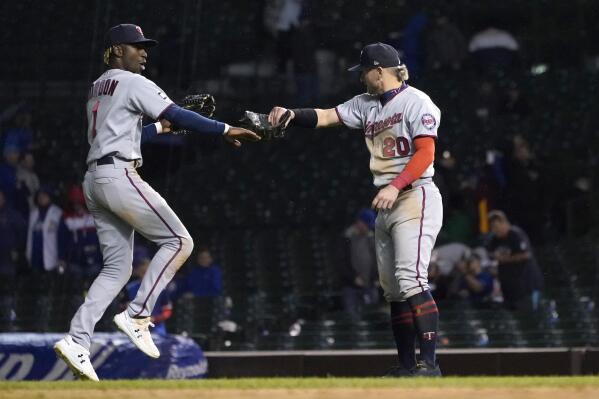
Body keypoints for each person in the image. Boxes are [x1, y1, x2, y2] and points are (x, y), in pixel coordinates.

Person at [53, 24, 259, 381]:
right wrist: (224, 129)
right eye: (136, 47)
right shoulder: (134, 82)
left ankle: (77, 340)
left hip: (95, 179)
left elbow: (127, 133)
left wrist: (162, 129)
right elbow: (177, 114)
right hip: (119, 175)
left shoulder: (97, 86)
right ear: (118, 49)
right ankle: (137, 314)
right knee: (179, 241)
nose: (144, 52)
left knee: (117, 269)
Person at [268, 42, 443, 376]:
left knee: (411, 279)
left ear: (379, 71)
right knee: (393, 290)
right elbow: (327, 116)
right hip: (388, 199)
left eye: (364, 71)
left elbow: (425, 154)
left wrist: (395, 185)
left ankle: (430, 364)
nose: (361, 76)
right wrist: (292, 115)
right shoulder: (366, 103)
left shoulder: (417, 102)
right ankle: (407, 367)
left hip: (414, 194)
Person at [486, 210, 544, 312]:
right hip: (508, 289)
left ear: (504, 222)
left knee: (527, 316)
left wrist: (505, 259)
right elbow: (490, 255)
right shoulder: (494, 240)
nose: (495, 230)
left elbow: (526, 254)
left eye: (496, 226)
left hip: (526, 286)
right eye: (492, 227)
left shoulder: (515, 234)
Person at [338, 209, 379, 320]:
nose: (368, 228)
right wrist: (353, 278)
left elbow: (377, 260)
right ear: (359, 222)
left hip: (370, 285)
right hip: (351, 287)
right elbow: (342, 263)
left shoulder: (372, 238)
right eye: (366, 224)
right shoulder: (346, 238)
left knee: (372, 318)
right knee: (353, 318)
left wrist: (377, 277)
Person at [122, 256, 172, 336]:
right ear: (138, 271)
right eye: (142, 272)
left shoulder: (161, 289)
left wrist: (154, 319)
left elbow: (167, 311)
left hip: (156, 327)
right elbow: (123, 307)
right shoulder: (130, 288)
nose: (145, 275)